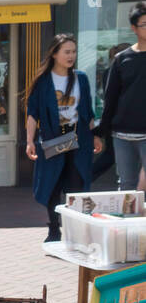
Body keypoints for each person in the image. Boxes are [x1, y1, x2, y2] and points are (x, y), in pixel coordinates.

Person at [24, 35, 100, 242]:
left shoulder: (81, 78)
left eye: (74, 52)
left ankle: (75, 231)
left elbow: (87, 111)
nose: (71, 56)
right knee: (52, 184)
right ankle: (54, 229)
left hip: (78, 137)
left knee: (76, 185)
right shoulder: (43, 81)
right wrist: (30, 141)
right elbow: (33, 113)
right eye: (66, 52)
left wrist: (94, 136)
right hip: (53, 138)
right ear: (54, 54)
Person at [99, 1, 146, 191]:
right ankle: (127, 221)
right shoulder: (122, 59)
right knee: (126, 184)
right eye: (144, 24)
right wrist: (103, 130)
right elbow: (111, 97)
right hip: (122, 134)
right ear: (134, 28)